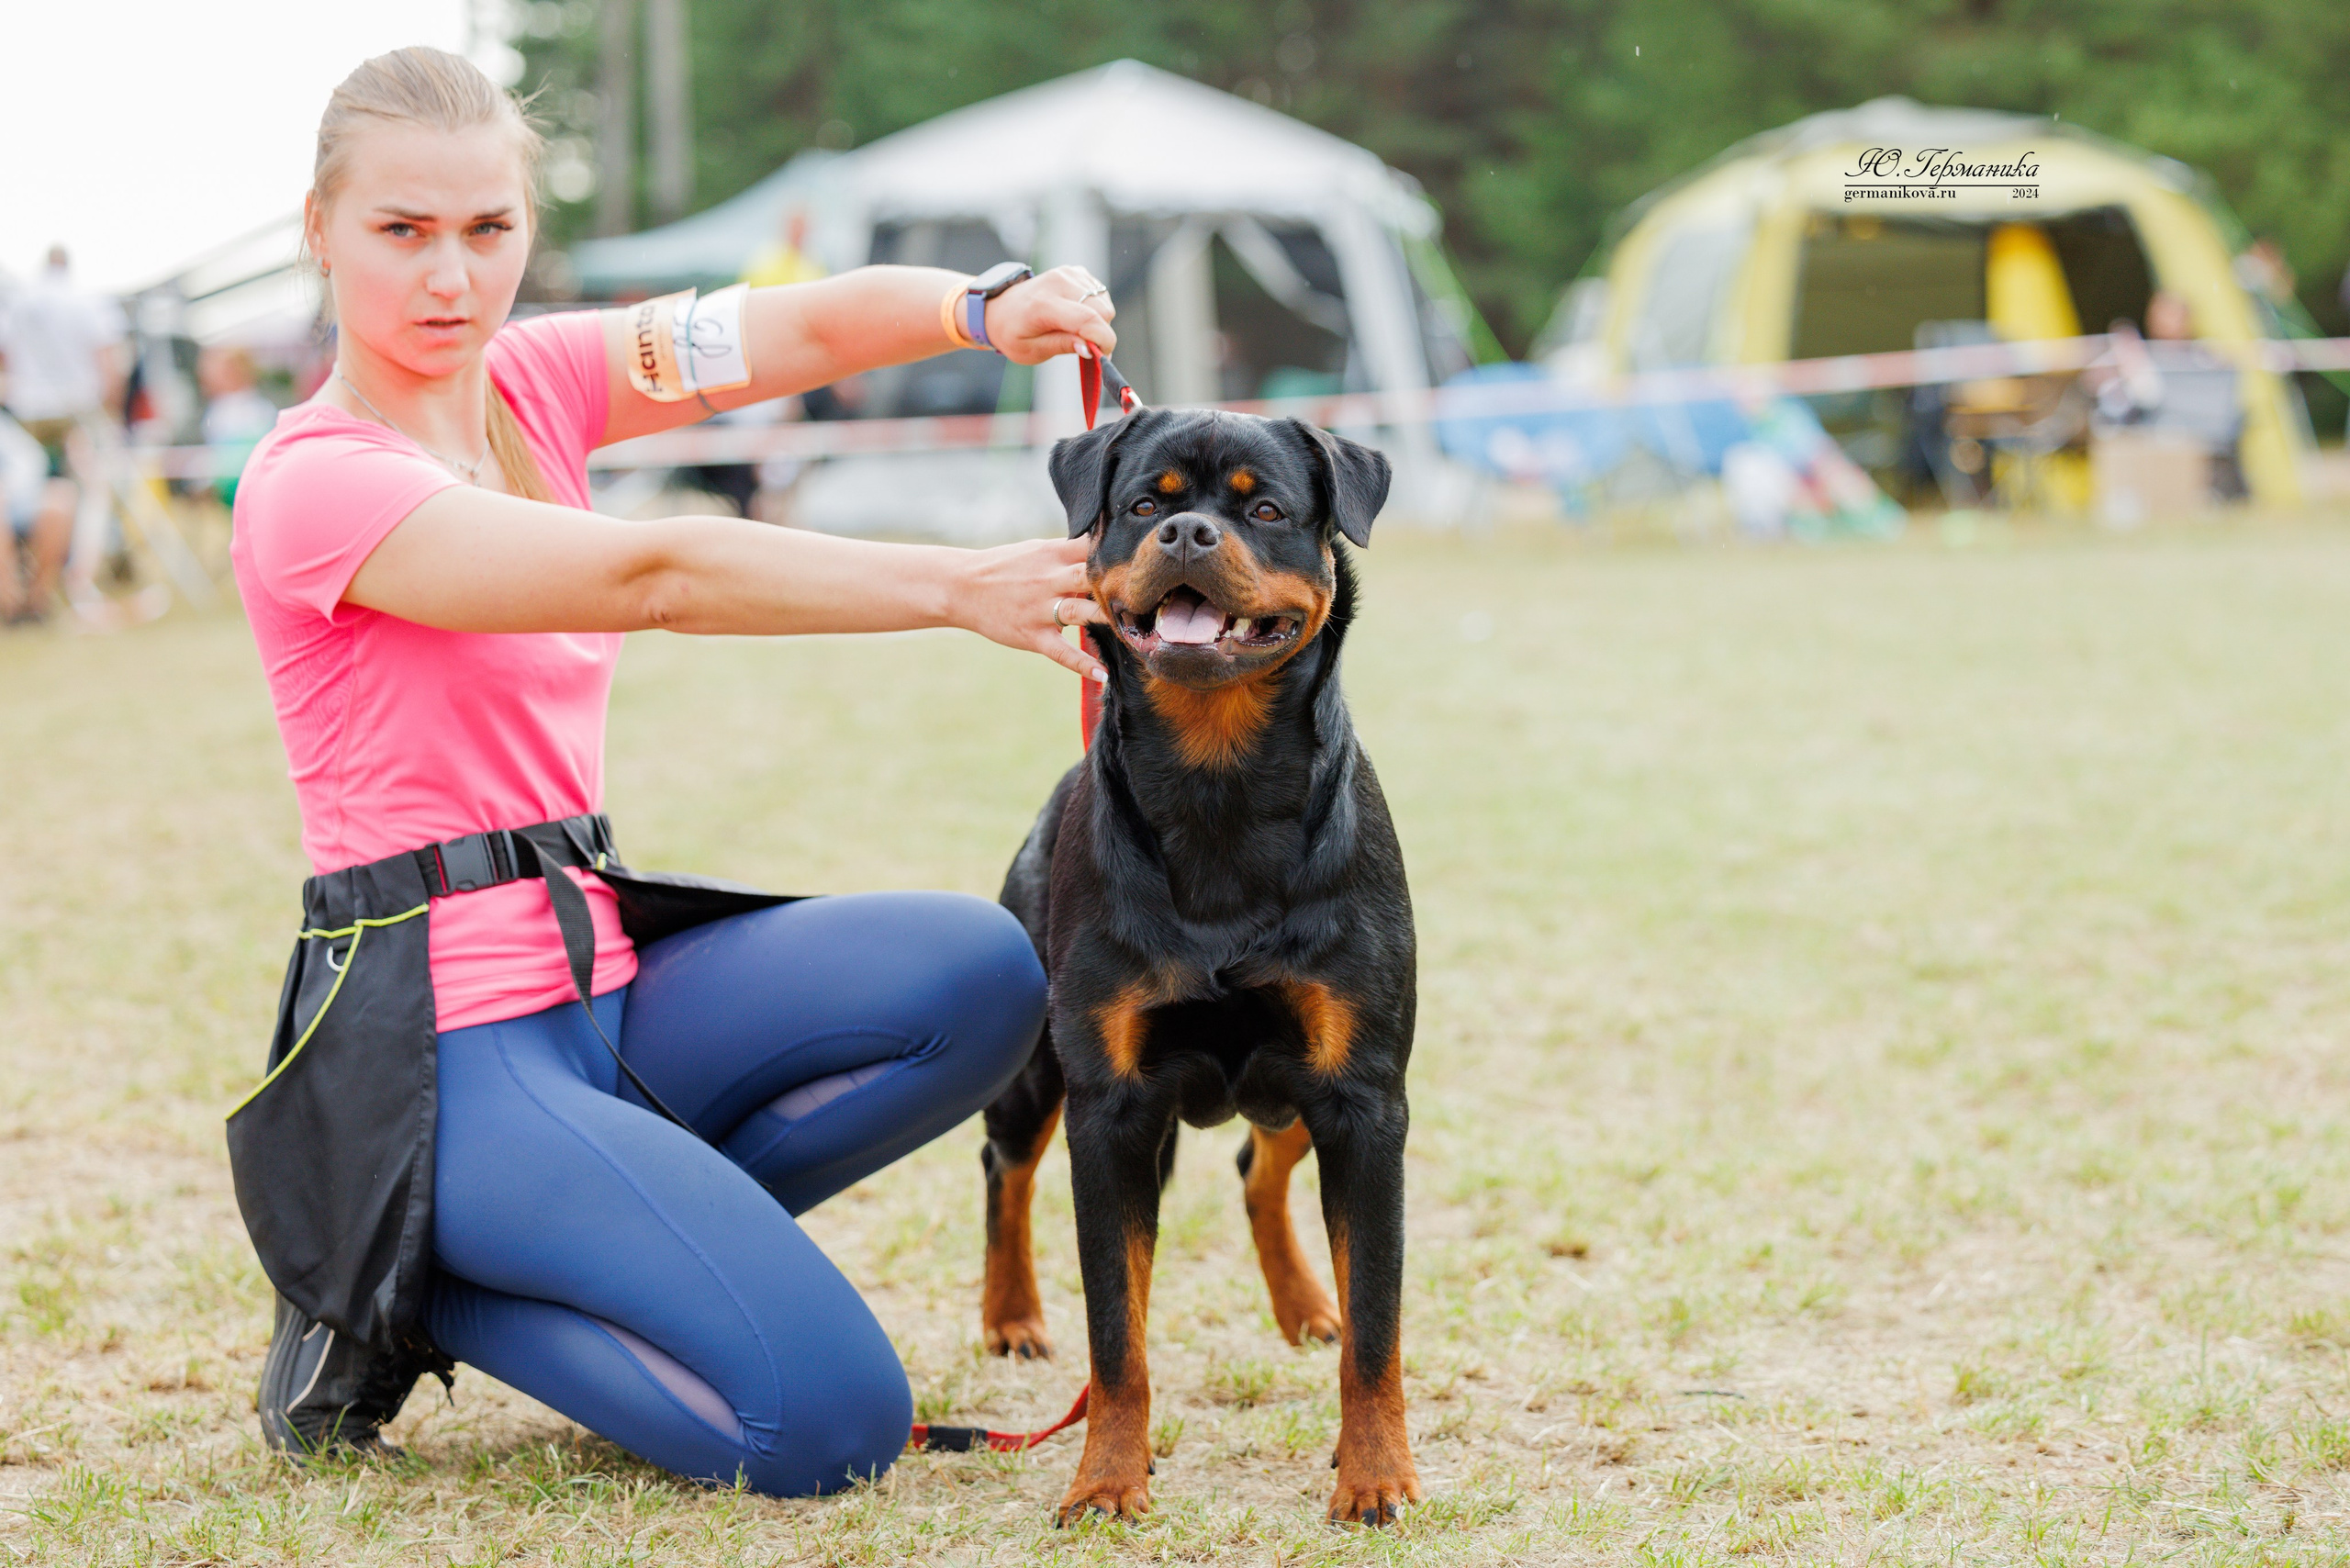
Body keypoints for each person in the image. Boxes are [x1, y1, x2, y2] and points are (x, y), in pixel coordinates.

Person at [229, 47, 1119, 1496]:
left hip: (609, 994)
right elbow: (651, 572)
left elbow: (788, 333)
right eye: (400, 231)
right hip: (446, 1059)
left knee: (983, 970)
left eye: (487, 231)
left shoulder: (541, 380)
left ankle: (622, 1242)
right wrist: (961, 587)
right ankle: (401, 1285)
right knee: (821, 1428)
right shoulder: (315, 482)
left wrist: (976, 306)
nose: (449, 278)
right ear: (319, 231)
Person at [0, 404, 73, 623]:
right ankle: (9, 604)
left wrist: (9, 488)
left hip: (17, 501)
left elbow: (30, 463)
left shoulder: (7, 424)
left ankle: (36, 602)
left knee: (61, 498)